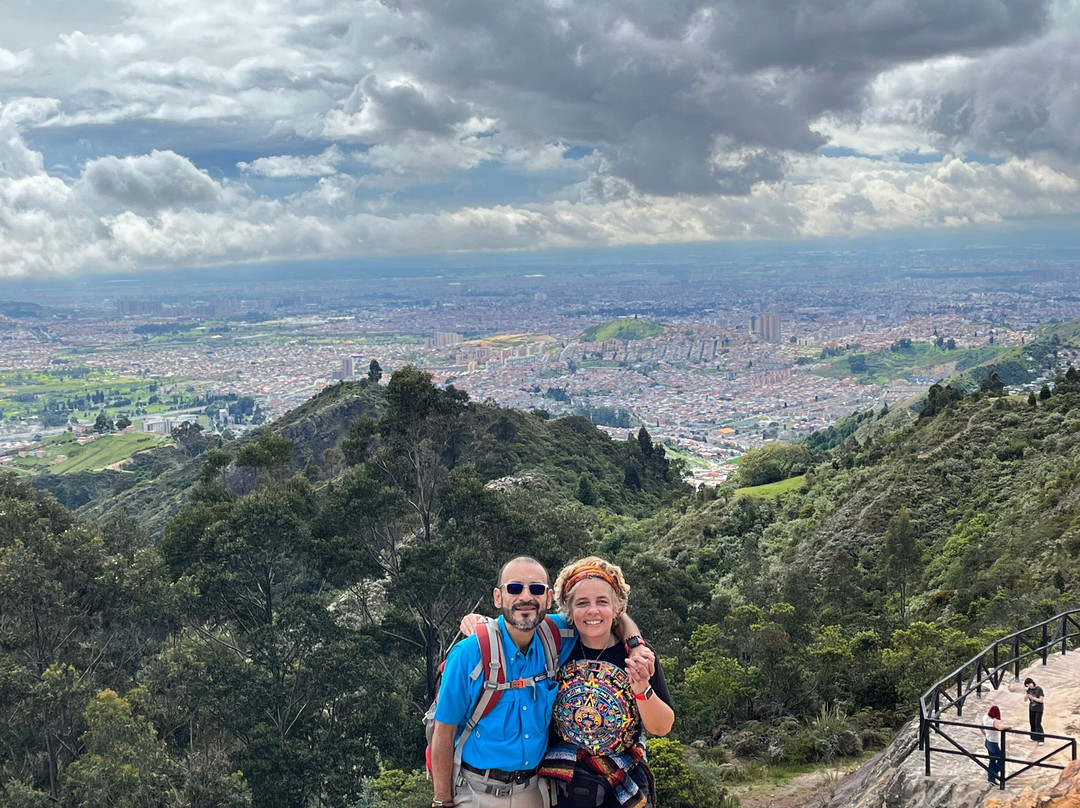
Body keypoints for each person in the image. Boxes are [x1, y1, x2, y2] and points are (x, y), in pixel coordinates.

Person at [430, 556, 653, 808]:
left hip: (535, 793)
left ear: (547, 598)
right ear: (498, 597)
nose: (525, 596)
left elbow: (610, 613)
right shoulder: (470, 653)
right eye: (515, 588)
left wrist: (636, 646)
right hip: (475, 792)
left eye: (535, 589)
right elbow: (444, 733)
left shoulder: (554, 635)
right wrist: (442, 800)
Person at [539, 557, 674, 808]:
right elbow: (517, 624)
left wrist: (641, 688)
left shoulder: (639, 657)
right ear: (568, 610)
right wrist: (480, 625)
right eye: (582, 603)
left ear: (617, 607)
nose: (593, 611)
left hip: (624, 785)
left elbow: (661, 727)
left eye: (602, 602)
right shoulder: (554, 650)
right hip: (564, 785)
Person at [981, 705, 1009, 786]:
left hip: (988, 741)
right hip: (993, 743)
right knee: (1001, 758)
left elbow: (981, 726)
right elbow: (1000, 728)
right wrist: (1008, 727)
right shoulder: (993, 721)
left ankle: (991, 778)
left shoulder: (985, 717)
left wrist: (986, 735)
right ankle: (994, 773)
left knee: (992, 760)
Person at [1024, 678, 1045, 744]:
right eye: (1027, 685)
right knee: (1032, 722)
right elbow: (1025, 700)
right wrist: (1027, 696)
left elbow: (1041, 700)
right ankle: (1033, 737)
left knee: (1037, 723)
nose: (1029, 686)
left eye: (1029, 684)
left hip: (1038, 708)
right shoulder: (1029, 690)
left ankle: (1041, 739)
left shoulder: (1039, 689)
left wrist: (1032, 698)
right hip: (1031, 708)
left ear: (1032, 683)